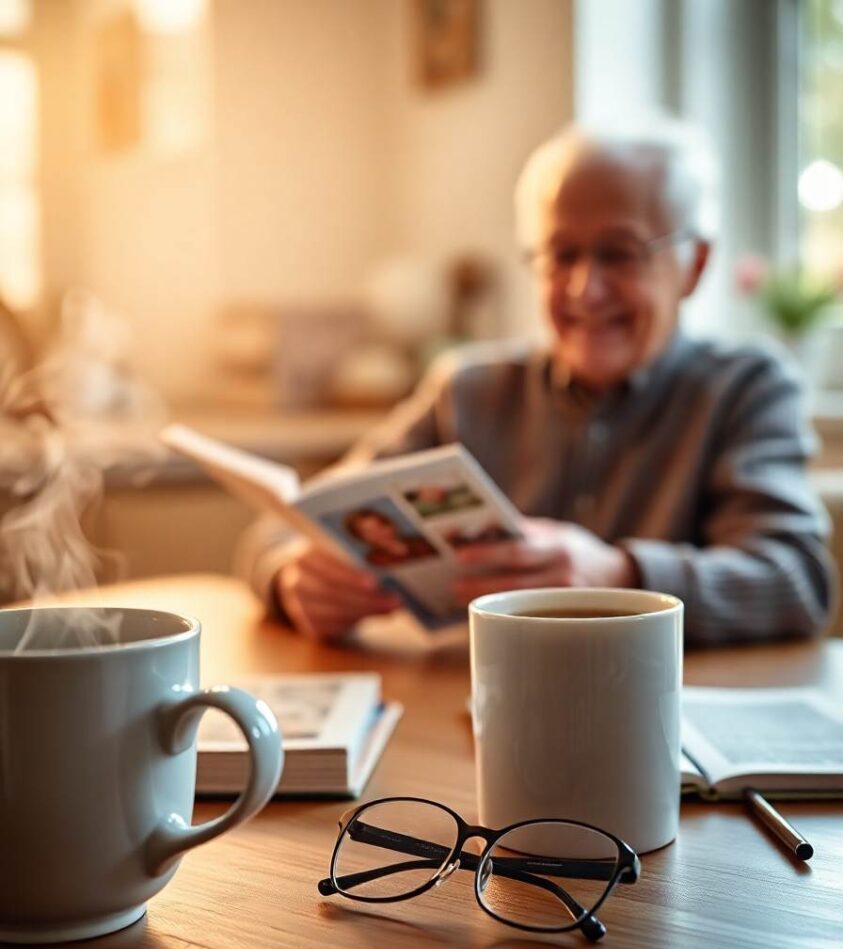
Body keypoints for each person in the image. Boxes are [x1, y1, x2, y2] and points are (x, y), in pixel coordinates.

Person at [237, 116, 835, 645]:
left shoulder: (748, 389)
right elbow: (283, 528)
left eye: (619, 254)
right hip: (478, 725)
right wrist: (293, 579)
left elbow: (797, 584)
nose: (583, 290)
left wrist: (618, 576)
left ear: (694, 266)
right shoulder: (466, 390)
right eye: (560, 255)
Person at [344, 508, 437, 567]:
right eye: (368, 531)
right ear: (361, 537)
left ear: (391, 525)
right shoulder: (374, 562)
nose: (378, 533)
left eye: (380, 526)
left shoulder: (421, 542)